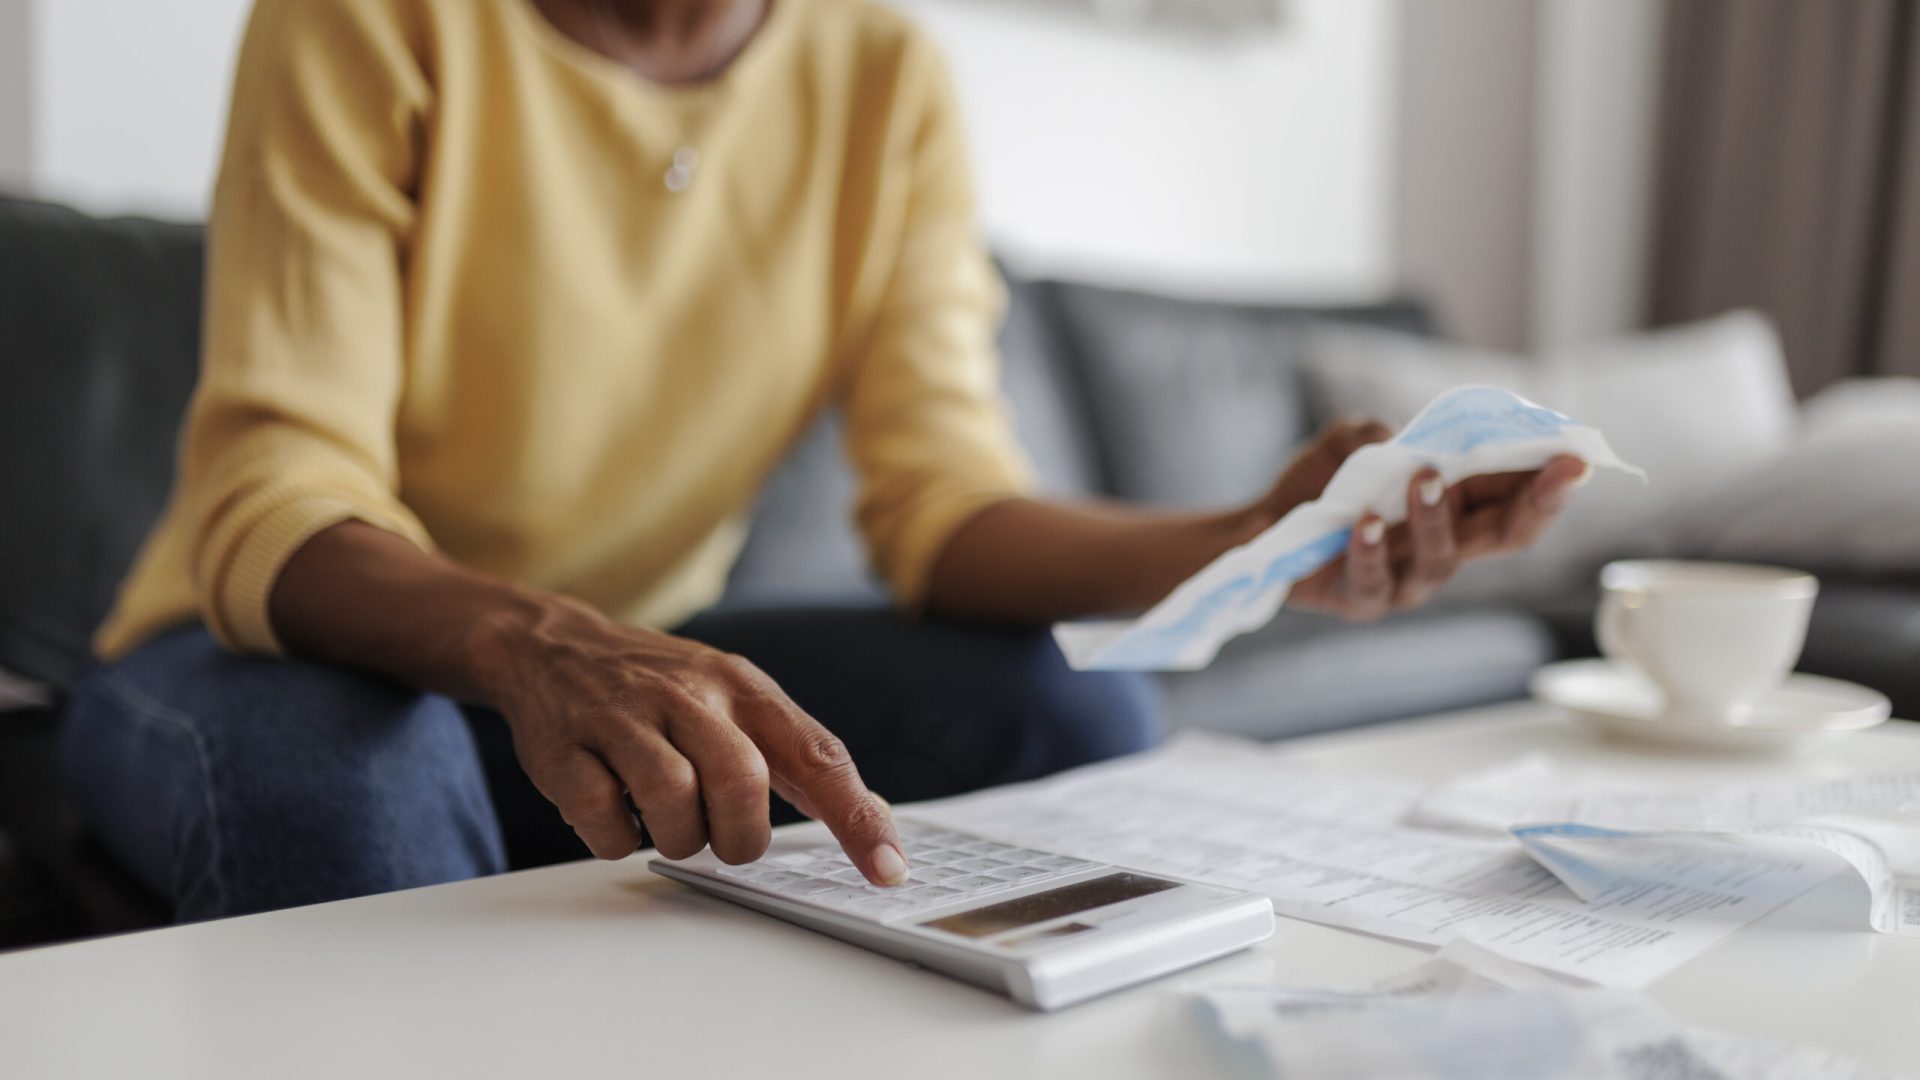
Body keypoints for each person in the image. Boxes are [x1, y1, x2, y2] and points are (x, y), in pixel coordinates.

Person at [61, 0, 1587, 922]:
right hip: (279, 642)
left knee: (1075, 697)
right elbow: (283, 494)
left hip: (627, 666)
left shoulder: (880, 77)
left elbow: (943, 507)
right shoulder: (370, 23)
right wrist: (540, 643)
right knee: (352, 783)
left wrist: (1256, 536)